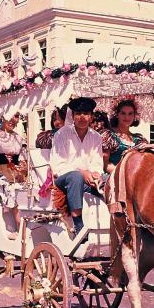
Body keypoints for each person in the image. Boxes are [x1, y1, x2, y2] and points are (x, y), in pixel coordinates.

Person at [50, 97, 104, 237]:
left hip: (87, 180)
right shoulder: (62, 134)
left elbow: (97, 162)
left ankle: (111, 221)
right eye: (78, 113)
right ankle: (78, 225)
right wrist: (82, 172)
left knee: (109, 179)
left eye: (86, 113)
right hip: (64, 179)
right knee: (75, 177)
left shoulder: (96, 137)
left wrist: (95, 174)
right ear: (73, 116)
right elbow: (58, 165)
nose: (82, 117)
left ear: (91, 116)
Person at [102, 98, 147, 174]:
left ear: (134, 115)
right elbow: (105, 165)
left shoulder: (139, 139)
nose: (127, 117)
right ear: (117, 115)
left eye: (130, 113)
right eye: (123, 113)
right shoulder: (109, 136)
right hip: (114, 178)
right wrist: (123, 174)